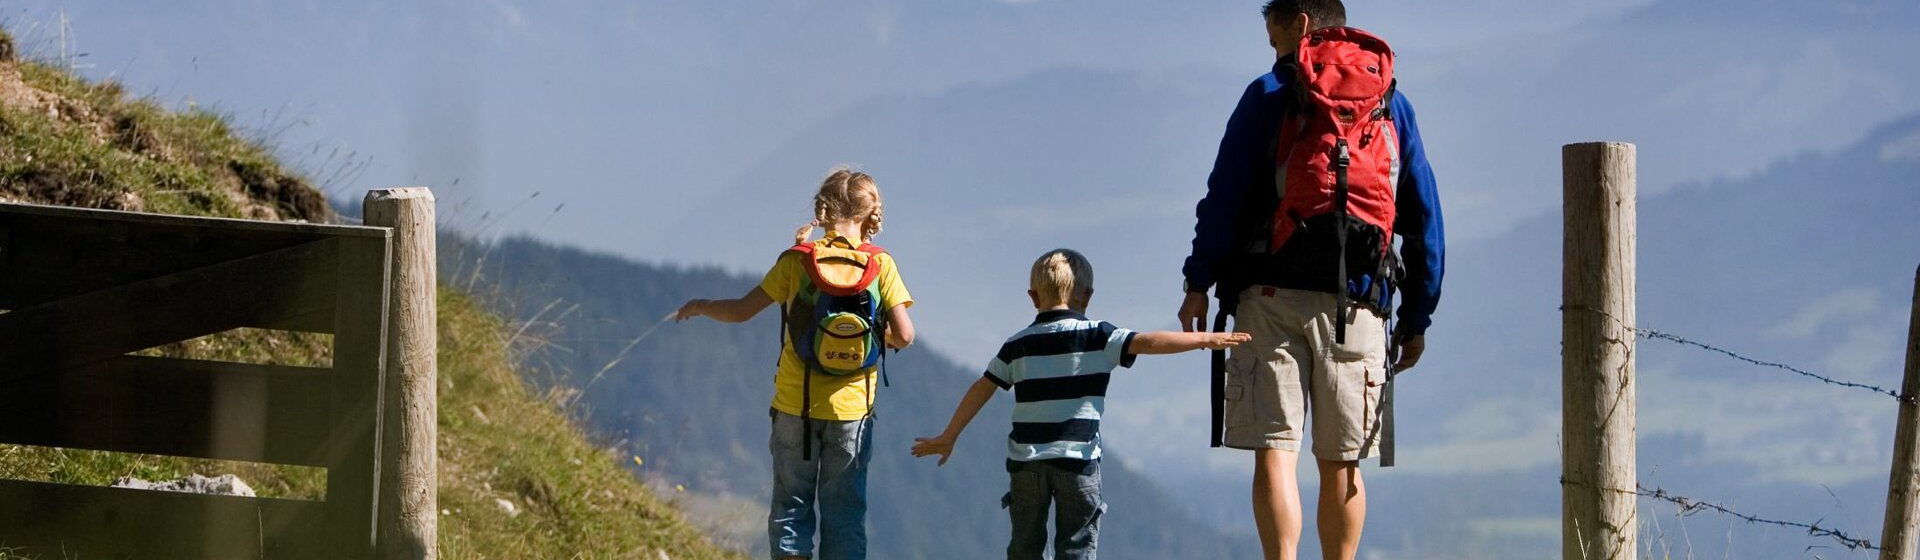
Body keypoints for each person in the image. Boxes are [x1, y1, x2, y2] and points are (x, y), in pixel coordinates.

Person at [1176, 1, 1445, 559]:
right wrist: (1416, 317)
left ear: (1299, 22)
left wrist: (1198, 282)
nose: (1269, 40)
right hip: (1360, 299)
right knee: (1341, 462)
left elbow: (1224, 197)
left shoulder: (1269, 94)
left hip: (1269, 294)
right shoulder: (1391, 103)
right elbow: (1424, 218)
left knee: (1275, 452)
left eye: (1271, 26)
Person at [911, 249, 1249, 560]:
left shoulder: (1017, 345)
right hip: (1078, 462)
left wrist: (949, 435)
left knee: (1024, 546)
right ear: (1087, 297)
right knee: (1076, 543)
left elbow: (981, 388)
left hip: (1026, 465)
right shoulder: (1098, 336)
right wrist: (1205, 340)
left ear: (1033, 298)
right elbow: (1148, 342)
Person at [675, 167, 915, 560]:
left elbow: (740, 311)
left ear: (822, 206)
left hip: (794, 406)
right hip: (853, 413)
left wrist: (701, 305)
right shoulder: (880, 264)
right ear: (871, 212)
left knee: (791, 509)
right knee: (845, 514)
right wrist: (876, 337)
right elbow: (905, 335)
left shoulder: (798, 260)